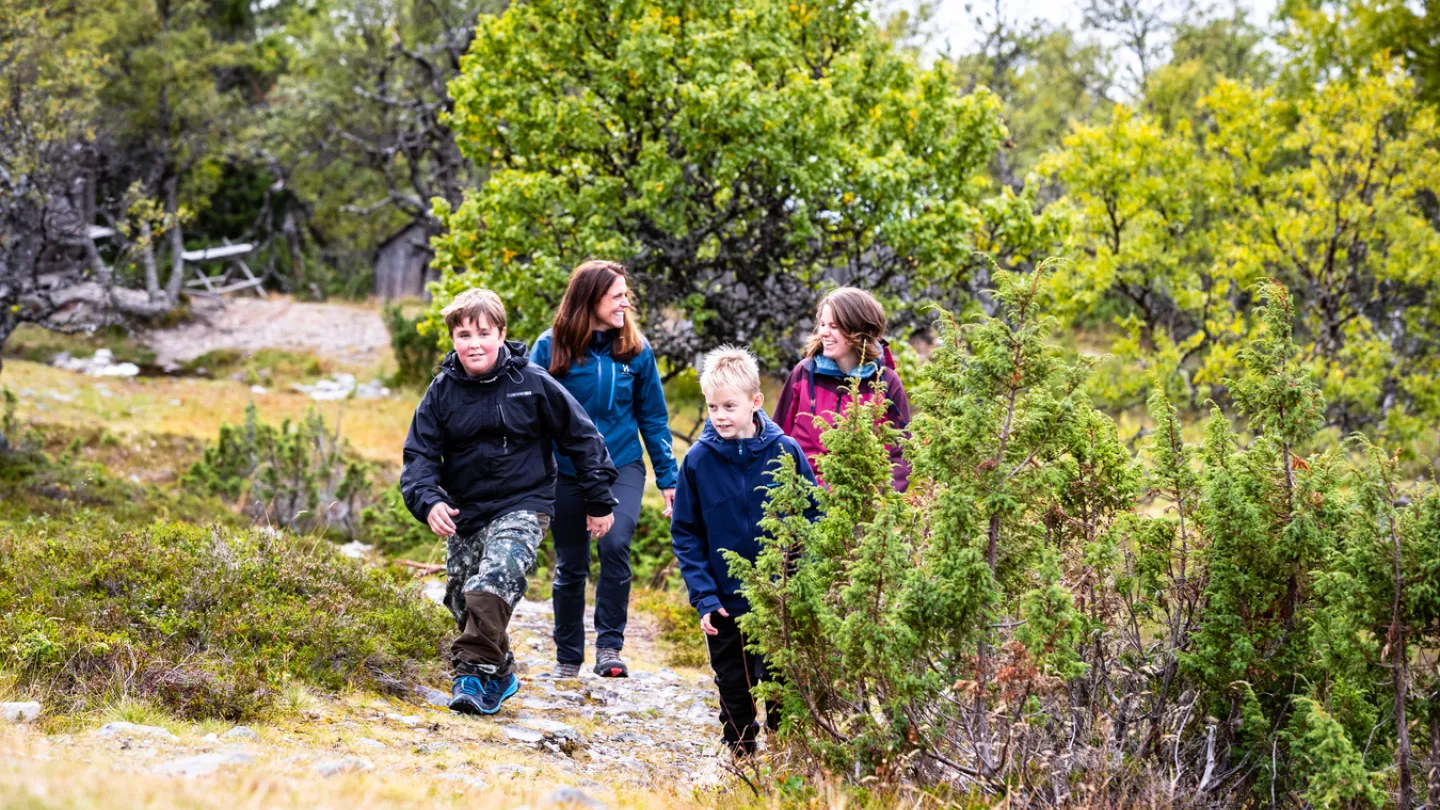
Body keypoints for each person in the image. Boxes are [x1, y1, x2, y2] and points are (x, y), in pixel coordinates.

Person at [400, 288, 618, 716]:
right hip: (466, 512)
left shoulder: (532, 383)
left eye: (483, 333)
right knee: (462, 600)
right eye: (464, 334)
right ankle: (501, 672)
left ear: (501, 334)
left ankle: (469, 674)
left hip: (525, 503)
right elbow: (419, 456)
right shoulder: (441, 392)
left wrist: (599, 499)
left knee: (494, 579)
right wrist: (428, 502)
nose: (474, 343)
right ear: (453, 340)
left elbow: (582, 437)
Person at [670, 345, 819, 757]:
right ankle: (739, 757)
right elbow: (686, 534)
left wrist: (801, 577)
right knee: (732, 684)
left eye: (729, 406)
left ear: (755, 403)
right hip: (724, 604)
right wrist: (704, 596)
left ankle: (785, 756)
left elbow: (813, 514)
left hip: (779, 601)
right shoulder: (697, 462)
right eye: (712, 406)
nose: (719, 415)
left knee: (779, 683)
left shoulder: (786, 451)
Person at [531, 260, 678, 679]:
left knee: (615, 544)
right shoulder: (550, 347)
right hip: (566, 471)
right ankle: (567, 657)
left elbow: (654, 418)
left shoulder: (636, 350)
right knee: (571, 563)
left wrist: (668, 478)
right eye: (617, 296)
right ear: (590, 298)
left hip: (622, 466)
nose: (625, 303)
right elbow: (534, 415)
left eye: (625, 295)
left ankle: (610, 647)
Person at [773, 287, 911, 492]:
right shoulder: (803, 373)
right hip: (804, 508)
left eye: (834, 326)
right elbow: (777, 439)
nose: (824, 332)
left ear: (859, 329)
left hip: (860, 511)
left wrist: (878, 502)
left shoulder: (886, 382)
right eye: (822, 324)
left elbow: (901, 454)